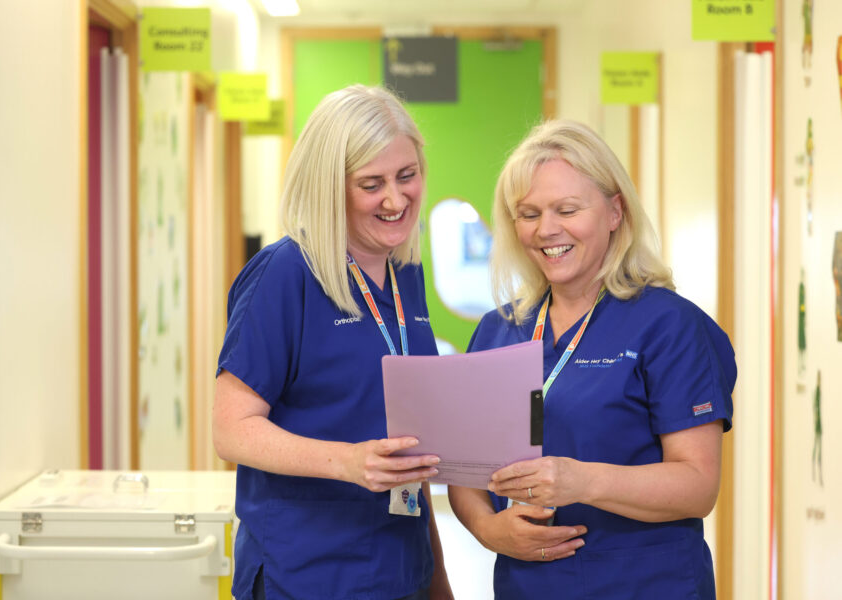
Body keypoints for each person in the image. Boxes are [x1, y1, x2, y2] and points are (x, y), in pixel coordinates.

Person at [448, 119, 736, 599]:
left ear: (615, 211)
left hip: (645, 586)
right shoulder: (499, 331)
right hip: (530, 586)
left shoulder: (669, 326)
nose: (546, 230)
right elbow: (465, 473)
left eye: (567, 209)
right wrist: (487, 528)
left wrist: (580, 480)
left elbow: (698, 485)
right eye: (529, 214)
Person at [213, 85, 453, 600]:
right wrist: (347, 462)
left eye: (407, 176)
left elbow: (407, 450)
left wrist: (438, 583)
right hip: (307, 575)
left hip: (400, 569)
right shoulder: (285, 274)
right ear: (329, 186)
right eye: (371, 184)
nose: (396, 200)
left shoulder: (405, 274)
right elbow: (231, 430)